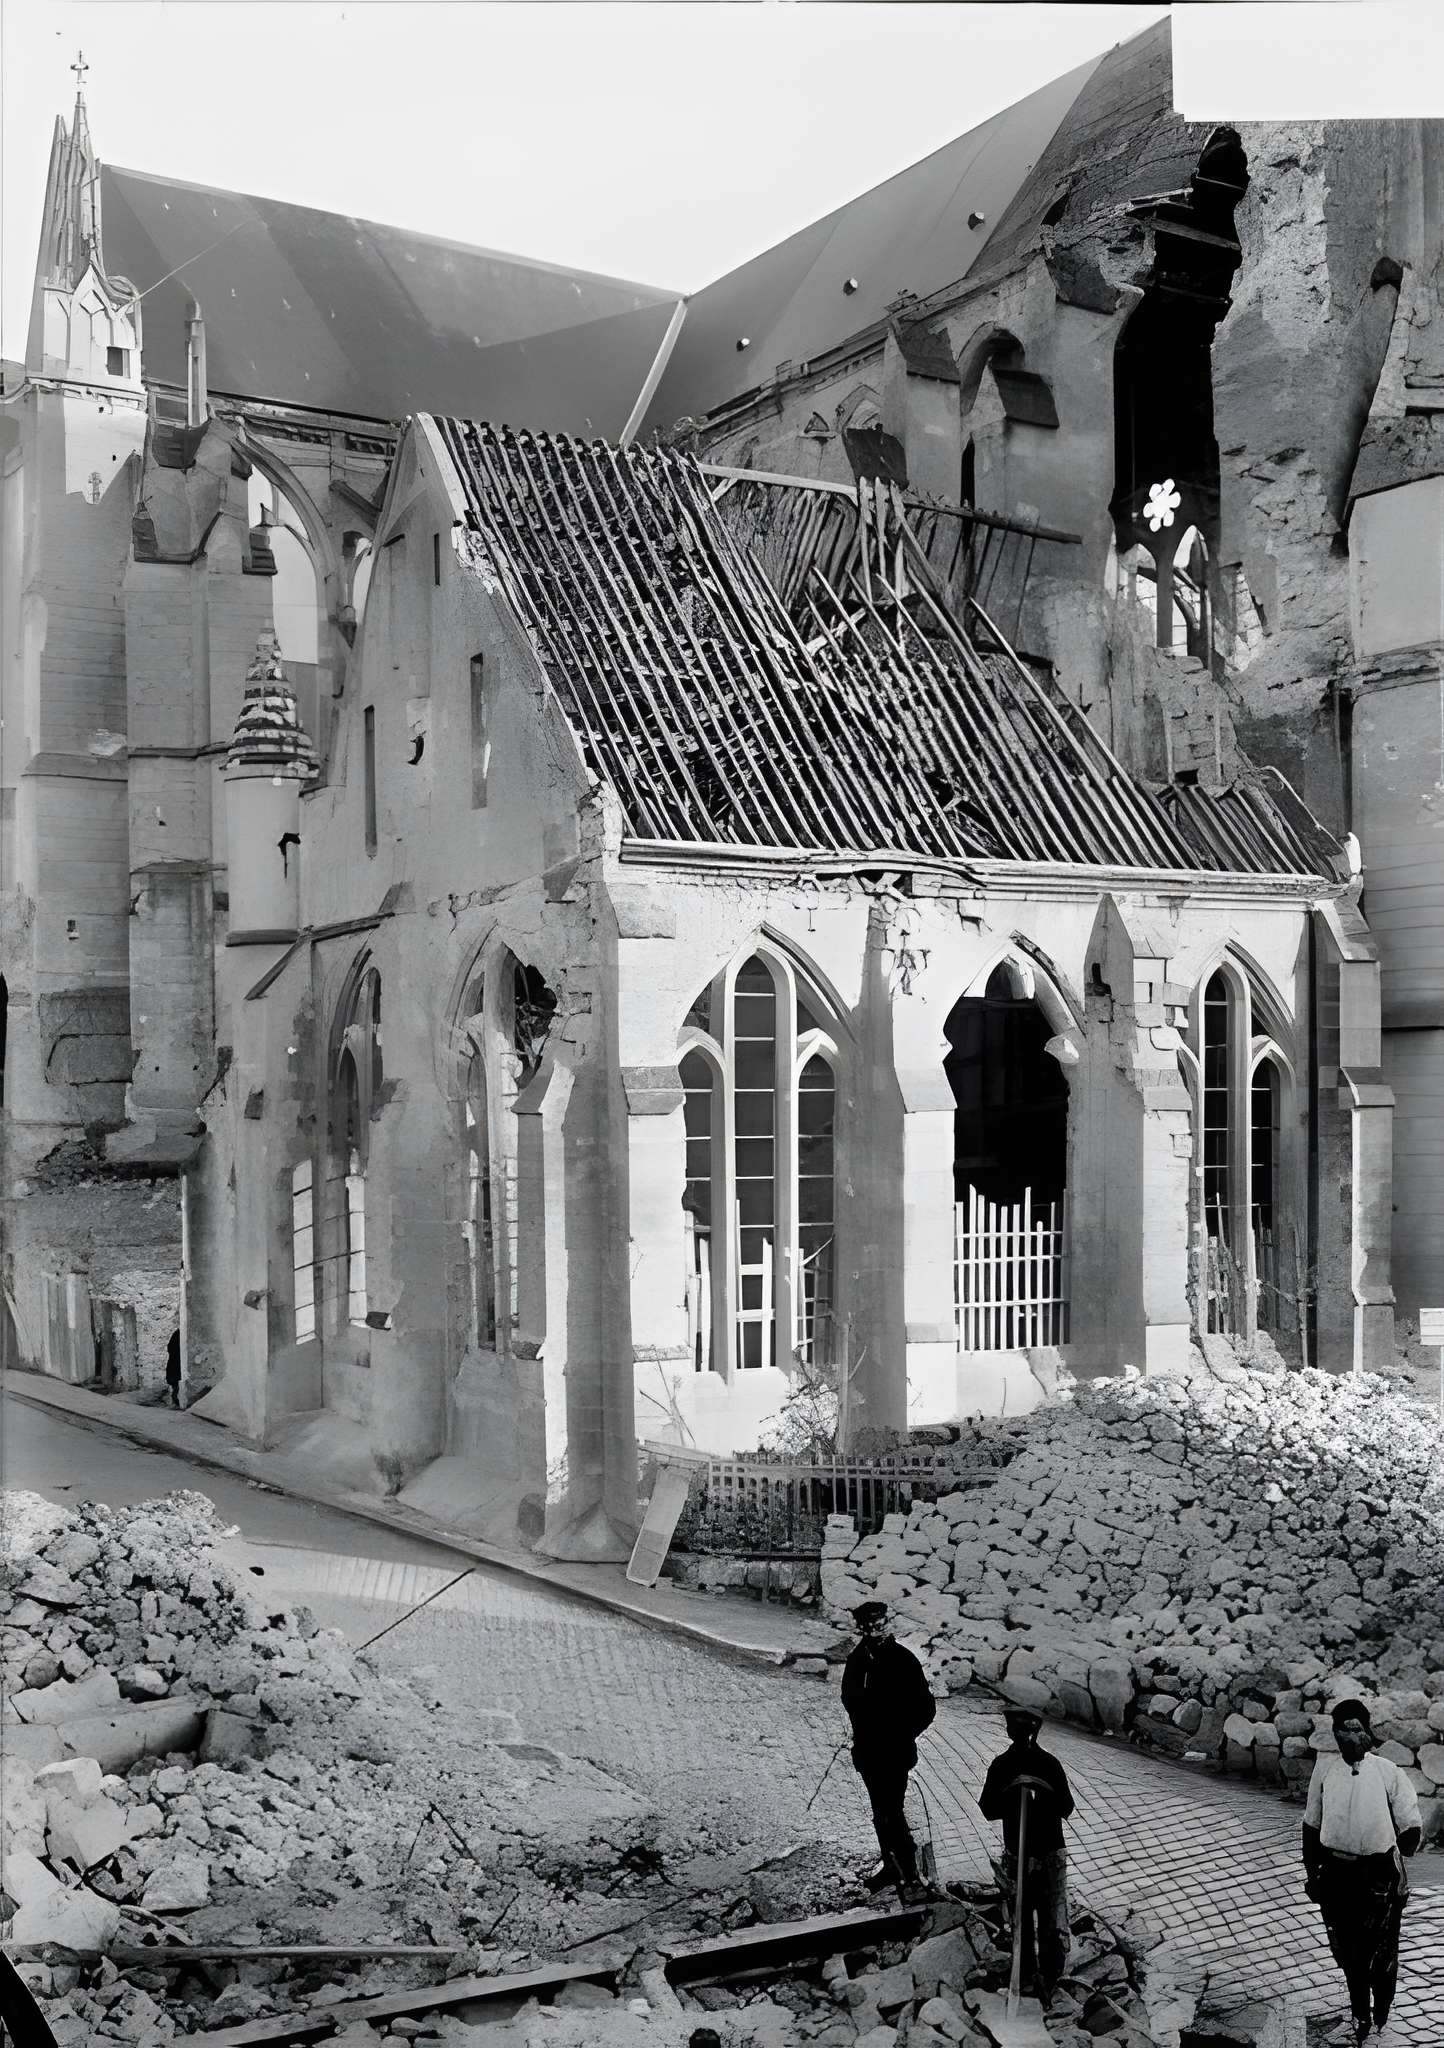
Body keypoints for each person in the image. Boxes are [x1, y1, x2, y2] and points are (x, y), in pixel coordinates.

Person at [1303, 1698, 1421, 2044]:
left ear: (1368, 1732)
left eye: (1358, 1729)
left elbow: (1410, 1826)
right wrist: (1313, 1874)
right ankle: (1360, 2012)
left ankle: (1380, 2007)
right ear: (1336, 1733)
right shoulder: (1324, 1770)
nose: (1352, 1736)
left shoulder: (1387, 1772)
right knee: (1346, 1950)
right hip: (1337, 1874)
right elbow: (1311, 1824)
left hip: (1378, 1876)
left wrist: (1401, 1841)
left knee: (1380, 1952)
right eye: (1345, 1729)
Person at [840, 1600, 936, 1905]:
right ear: (861, 1628)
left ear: (887, 1623)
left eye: (880, 1624)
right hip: (869, 1753)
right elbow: (849, 1700)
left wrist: (901, 1732)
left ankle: (909, 1874)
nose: (875, 1630)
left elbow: (926, 1708)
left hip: (895, 1753)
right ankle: (890, 1867)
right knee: (880, 1814)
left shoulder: (904, 1660)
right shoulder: (857, 1661)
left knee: (892, 1812)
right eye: (869, 1626)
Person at [979, 1706, 1075, 2009]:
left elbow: (1065, 1807)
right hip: (1018, 1855)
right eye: (1015, 1730)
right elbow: (988, 1809)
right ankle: (1026, 1976)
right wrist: (1012, 1790)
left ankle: (1049, 1978)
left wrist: (1039, 1789)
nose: (1019, 1735)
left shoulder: (1048, 1765)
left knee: (1049, 1918)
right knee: (1022, 1918)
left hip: (1047, 1855)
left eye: (1023, 1730)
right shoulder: (1003, 1766)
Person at [164, 1328, 182, 1409]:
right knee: (176, 1385)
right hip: (176, 1365)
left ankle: (176, 1402)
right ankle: (176, 1401)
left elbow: (169, 1347)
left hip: (174, 1365)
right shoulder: (179, 1333)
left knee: (175, 1385)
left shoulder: (177, 1333)